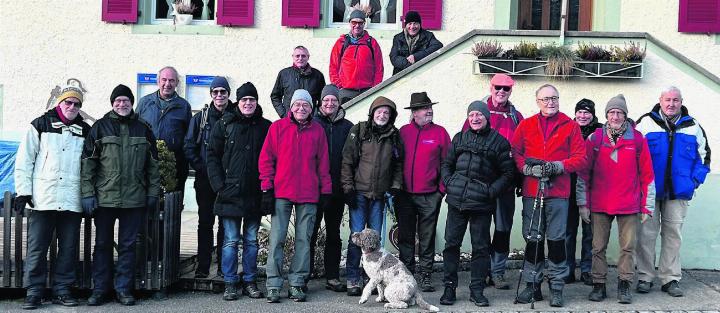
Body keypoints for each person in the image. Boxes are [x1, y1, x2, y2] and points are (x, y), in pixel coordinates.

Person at [81, 85, 161, 306]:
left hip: (134, 199)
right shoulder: (99, 128)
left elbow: (153, 166)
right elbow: (88, 165)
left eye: (126, 100)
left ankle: (124, 289)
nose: (122, 104)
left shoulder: (143, 129)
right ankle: (100, 289)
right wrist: (88, 194)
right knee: (103, 244)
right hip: (105, 198)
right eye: (118, 101)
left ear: (132, 103)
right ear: (112, 103)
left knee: (128, 246)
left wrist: (153, 193)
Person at [14, 84, 91, 310]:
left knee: (68, 248)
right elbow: (25, 160)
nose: (72, 107)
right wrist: (23, 191)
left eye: (77, 104)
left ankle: (63, 289)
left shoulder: (84, 131)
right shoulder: (39, 125)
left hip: (71, 198)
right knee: (37, 247)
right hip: (43, 198)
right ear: (60, 103)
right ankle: (34, 291)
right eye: (68, 102)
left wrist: (88, 195)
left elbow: (89, 167)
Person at [511, 84, 587, 307]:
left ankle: (556, 286)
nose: (550, 102)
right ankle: (532, 285)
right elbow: (515, 153)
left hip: (558, 193)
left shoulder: (570, 126)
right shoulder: (526, 125)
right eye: (545, 99)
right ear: (537, 101)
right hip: (532, 192)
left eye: (554, 98)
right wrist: (526, 169)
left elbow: (581, 158)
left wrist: (558, 166)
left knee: (556, 241)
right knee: (533, 240)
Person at [576, 95, 655, 304]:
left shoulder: (637, 139)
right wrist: (582, 204)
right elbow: (584, 174)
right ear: (606, 115)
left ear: (625, 115)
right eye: (611, 112)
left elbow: (647, 175)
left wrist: (647, 206)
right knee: (597, 247)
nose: (615, 116)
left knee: (628, 247)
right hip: (600, 203)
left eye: (619, 112)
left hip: (628, 204)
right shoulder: (595, 138)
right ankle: (598, 284)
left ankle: (624, 284)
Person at [635, 86, 711, 297]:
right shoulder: (645, 123)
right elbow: (632, 154)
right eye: (667, 99)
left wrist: (693, 181)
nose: (671, 104)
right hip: (650, 190)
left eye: (675, 100)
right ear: (660, 100)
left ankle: (670, 279)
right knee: (646, 235)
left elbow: (704, 158)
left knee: (673, 236)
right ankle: (645, 276)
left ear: (681, 101)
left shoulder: (693, 126)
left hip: (679, 192)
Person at [439, 100, 515, 307]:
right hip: (457, 202)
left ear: (486, 117)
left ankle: (477, 290)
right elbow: (447, 164)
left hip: (482, 205)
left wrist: (491, 192)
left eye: (479, 115)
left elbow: (508, 173)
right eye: (471, 115)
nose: (475, 118)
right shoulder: (459, 138)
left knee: (481, 248)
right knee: (451, 245)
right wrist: (449, 182)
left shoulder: (499, 143)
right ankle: (449, 288)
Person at [259, 89, 332, 303]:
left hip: (309, 194)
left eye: (306, 105)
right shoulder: (278, 128)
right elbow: (266, 159)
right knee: (277, 239)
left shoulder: (317, 131)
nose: (301, 108)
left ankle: (297, 283)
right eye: (297, 105)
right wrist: (267, 188)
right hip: (282, 192)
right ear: (291, 107)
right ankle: (273, 284)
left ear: (312, 108)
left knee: (304, 239)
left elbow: (323, 164)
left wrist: (326, 190)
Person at [206, 82, 271, 301]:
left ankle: (250, 281)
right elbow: (212, 155)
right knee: (231, 241)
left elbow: (273, 159)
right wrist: (218, 184)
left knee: (252, 240)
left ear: (256, 102)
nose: (248, 103)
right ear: (238, 102)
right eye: (244, 100)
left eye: (252, 100)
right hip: (229, 193)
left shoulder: (265, 126)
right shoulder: (225, 124)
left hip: (255, 193)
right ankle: (230, 282)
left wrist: (267, 190)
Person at [341, 96, 403, 296]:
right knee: (357, 236)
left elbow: (398, 165)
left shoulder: (394, 135)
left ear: (391, 116)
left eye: (387, 112)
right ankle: (353, 277)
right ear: (372, 112)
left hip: (379, 195)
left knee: (376, 239)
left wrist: (395, 186)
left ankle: (375, 279)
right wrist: (348, 188)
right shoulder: (359, 131)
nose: (382, 115)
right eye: (379, 111)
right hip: (359, 193)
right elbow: (347, 161)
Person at [396, 92, 450, 292]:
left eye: (429, 108)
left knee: (427, 238)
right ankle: (406, 274)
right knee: (405, 237)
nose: (429, 111)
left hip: (430, 195)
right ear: (414, 113)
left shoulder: (440, 133)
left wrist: (440, 191)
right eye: (423, 108)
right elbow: (395, 161)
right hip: (405, 196)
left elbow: (448, 164)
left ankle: (426, 275)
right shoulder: (403, 132)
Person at [183, 76, 231, 278]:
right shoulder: (200, 118)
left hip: (229, 180)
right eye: (215, 92)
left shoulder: (235, 116)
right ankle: (203, 268)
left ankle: (222, 267)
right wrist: (202, 168)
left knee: (226, 225)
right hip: (205, 180)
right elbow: (189, 146)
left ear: (229, 94)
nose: (219, 95)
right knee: (205, 223)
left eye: (223, 92)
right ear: (211, 94)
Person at [309, 84, 353, 292]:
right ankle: (304, 274)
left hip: (336, 191)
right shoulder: (312, 123)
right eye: (326, 100)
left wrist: (348, 187)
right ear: (320, 102)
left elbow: (352, 159)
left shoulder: (347, 127)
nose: (330, 104)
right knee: (309, 233)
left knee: (334, 235)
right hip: (313, 190)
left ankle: (332, 276)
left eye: (333, 101)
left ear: (339, 103)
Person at [136, 66, 192, 192]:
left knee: (172, 207)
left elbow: (189, 137)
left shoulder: (184, 106)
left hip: (175, 167)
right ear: (158, 81)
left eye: (172, 80)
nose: (167, 84)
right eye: (164, 80)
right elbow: (135, 130)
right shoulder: (145, 103)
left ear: (177, 83)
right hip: (147, 165)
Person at [565, 98, 602, 285]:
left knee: (590, 233)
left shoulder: (600, 131)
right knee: (568, 232)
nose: (583, 115)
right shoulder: (567, 129)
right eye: (580, 112)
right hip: (568, 189)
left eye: (587, 112)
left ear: (593, 114)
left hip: (592, 190)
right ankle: (567, 270)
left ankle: (587, 270)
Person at [329, 10, 384, 104]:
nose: (357, 25)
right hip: (345, 91)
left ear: (364, 24)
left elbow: (379, 68)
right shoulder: (341, 42)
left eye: (360, 23)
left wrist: (375, 88)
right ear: (350, 23)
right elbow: (333, 67)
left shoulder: (371, 43)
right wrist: (339, 86)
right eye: (354, 22)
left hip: (367, 90)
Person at [270, 46, 326, 118]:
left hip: (310, 120)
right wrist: (283, 114)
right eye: (297, 56)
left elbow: (322, 99)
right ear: (293, 57)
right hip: (288, 119)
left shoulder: (317, 75)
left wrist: (315, 115)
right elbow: (275, 96)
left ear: (308, 57)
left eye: (303, 56)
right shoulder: (284, 74)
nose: (300, 58)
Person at [389, 11, 443, 75]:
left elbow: (438, 46)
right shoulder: (397, 38)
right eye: (410, 23)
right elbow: (394, 57)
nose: (412, 27)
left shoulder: (428, 36)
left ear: (420, 24)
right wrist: (408, 63)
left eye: (415, 23)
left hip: (421, 75)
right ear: (406, 25)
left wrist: (416, 57)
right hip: (400, 76)